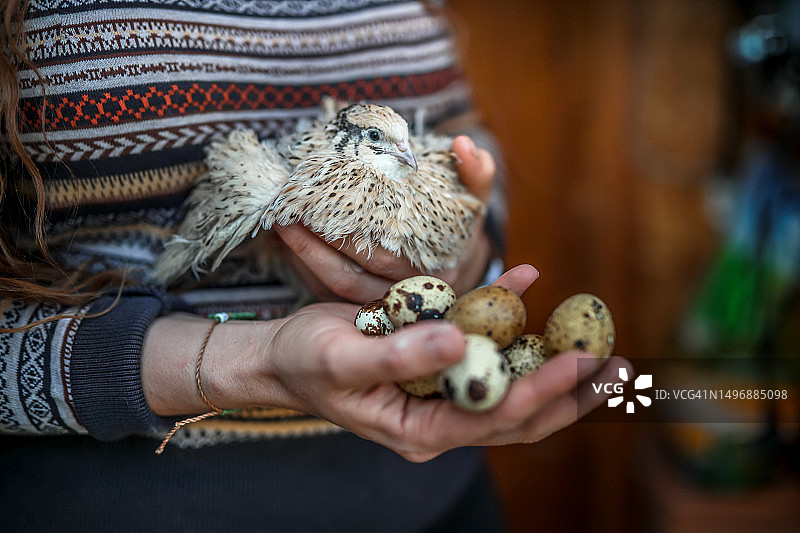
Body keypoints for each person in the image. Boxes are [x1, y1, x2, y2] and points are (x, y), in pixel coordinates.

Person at [0, 1, 629, 531]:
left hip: (436, 499)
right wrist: (248, 362)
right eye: (384, 144)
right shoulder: (274, 186)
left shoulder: (400, 149)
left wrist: (470, 233)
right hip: (141, 507)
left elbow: (456, 126)